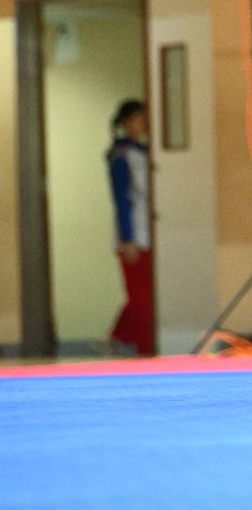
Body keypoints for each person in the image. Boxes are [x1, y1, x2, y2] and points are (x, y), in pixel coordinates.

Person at [106, 99, 153, 356]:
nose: (143, 123)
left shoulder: (147, 151)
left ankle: (118, 337)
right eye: (138, 118)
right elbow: (121, 199)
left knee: (147, 295)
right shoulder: (121, 155)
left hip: (150, 232)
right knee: (141, 299)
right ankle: (144, 351)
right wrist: (127, 237)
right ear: (126, 123)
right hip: (133, 236)